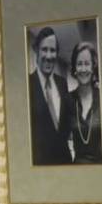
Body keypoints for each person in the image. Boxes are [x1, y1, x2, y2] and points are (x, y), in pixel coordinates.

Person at [27, 26, 73, 165]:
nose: (48, 56)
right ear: (36, 51)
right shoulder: (27, 84)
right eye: (44, 49)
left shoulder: (62, 83)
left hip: (65, 163)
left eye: (52, 50)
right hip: (40, 168)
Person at [69, 42, 102, 164]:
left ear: (93, 66)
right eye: (79, 64)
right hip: (76, 171)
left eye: (87, 64)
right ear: (74, 68)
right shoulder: (67, 100)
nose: (83, 69)